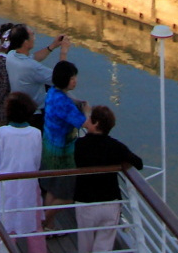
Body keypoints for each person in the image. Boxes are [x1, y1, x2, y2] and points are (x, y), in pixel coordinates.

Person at [74, 106, 143, 252]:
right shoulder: (116, 147)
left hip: (85, 202)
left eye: (89, 117)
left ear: (96, 123)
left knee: (85, 243)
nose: (87, 119)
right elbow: (138, 163)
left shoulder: (79, 145)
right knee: (104, 245)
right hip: (109, 202)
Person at [0, 92, 46, 253]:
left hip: (6, 184)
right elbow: (37, 161)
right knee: (34, 227)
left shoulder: (2, 132)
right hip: (29, 183)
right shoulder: (36, 133)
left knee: (6, 227)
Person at [41, 61, 87, 222]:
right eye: (72, 78)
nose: (75, 81)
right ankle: (43, 222)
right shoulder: (66, 104)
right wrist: (87, 111)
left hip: (48, 148)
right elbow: (85, 124)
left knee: (52, 190)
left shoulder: (52, 92)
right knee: (68, 196)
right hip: (63, 155)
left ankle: (48, 226)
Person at [5, 25, 69, 124]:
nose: (35, 38)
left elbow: (33, 57)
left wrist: (52, 46)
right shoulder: (32, 67)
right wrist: (63, 52)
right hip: (33, 115)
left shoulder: (11, 55)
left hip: (17, 110)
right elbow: (61, 78)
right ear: (26, 42)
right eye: (32, 35)